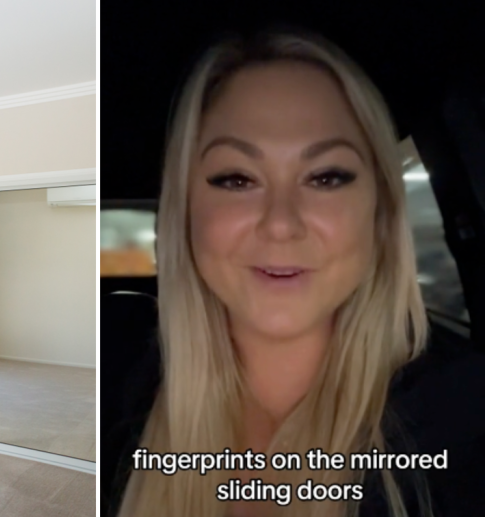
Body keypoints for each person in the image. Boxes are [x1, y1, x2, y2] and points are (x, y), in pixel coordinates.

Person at [104, 27, 485, 517]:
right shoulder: (120, 398)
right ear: (185, 214)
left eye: (327, 177)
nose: (281, 224)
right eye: (237, 179)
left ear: (381, 213)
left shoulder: (462, 430)